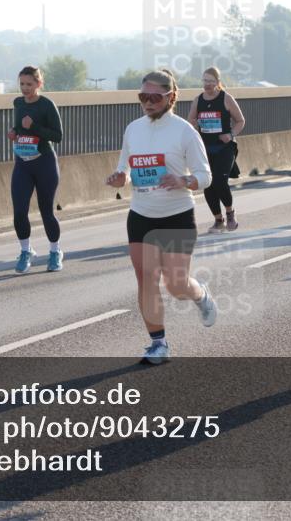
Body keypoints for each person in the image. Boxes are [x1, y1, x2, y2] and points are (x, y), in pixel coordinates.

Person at [106, 69, 214, 364]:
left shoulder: (184, 131)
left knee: (176, 285)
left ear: (171, 97)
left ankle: (200, 294)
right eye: (143, 97)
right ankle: (159, 344)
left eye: (155, 97)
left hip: (176, 215)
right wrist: (120, 178)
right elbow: (126, 169)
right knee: (146, 280)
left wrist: (184, 181)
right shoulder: (133, 129)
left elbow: (206, 176)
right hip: (141, 215)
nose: (148, 102)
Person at [7, 66, 64, 272]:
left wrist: (35, 128)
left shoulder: (47, 105)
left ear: (39, 84)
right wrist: (14, 132)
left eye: (29, 84)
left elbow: (58, 136)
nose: (25, 88)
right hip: (23, 163)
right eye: (22, 84)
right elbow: (20, 128)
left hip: (44, 163)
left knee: (46, 211)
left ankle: (55, 251)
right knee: (19, 211)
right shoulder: (18, 103)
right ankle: (25, 251)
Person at [187, 67, 245, 231]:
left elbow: (240, 121)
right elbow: (190, 118)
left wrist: (231, 134)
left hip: (224, 147)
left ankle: (230, 213)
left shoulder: (226, 98)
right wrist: (194, 124)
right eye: (205, 81)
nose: (207, 85)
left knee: (220, 181)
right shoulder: (198, 100)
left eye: (211, 81)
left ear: (218, 83)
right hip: (205, 148)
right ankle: (218, 221)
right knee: (208, 184)